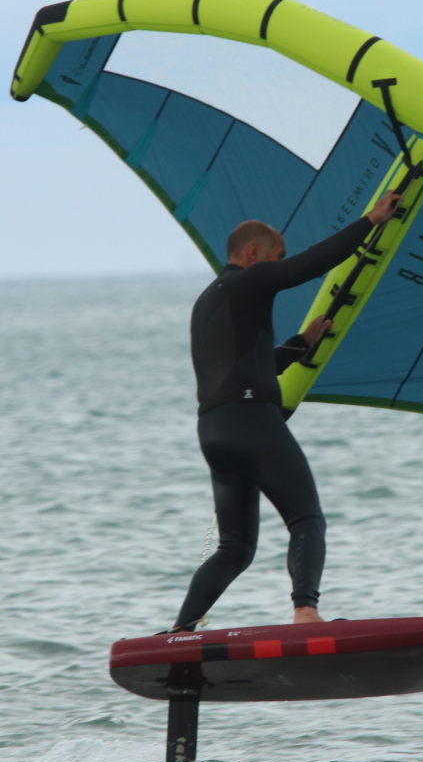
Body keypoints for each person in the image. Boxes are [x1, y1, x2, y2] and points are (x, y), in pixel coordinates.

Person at [170, 190, 403, 632]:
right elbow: (310, 264)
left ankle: (181, 631)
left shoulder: (208, 300)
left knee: (234, 549)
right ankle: (305, 611)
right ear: (253, 254)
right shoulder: (250, 279)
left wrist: (300, 345)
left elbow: (247, 364)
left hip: (214, 430)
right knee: (306, 518)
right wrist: (371, 221)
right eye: (274, 258)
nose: (277, 266)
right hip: (252, 421)